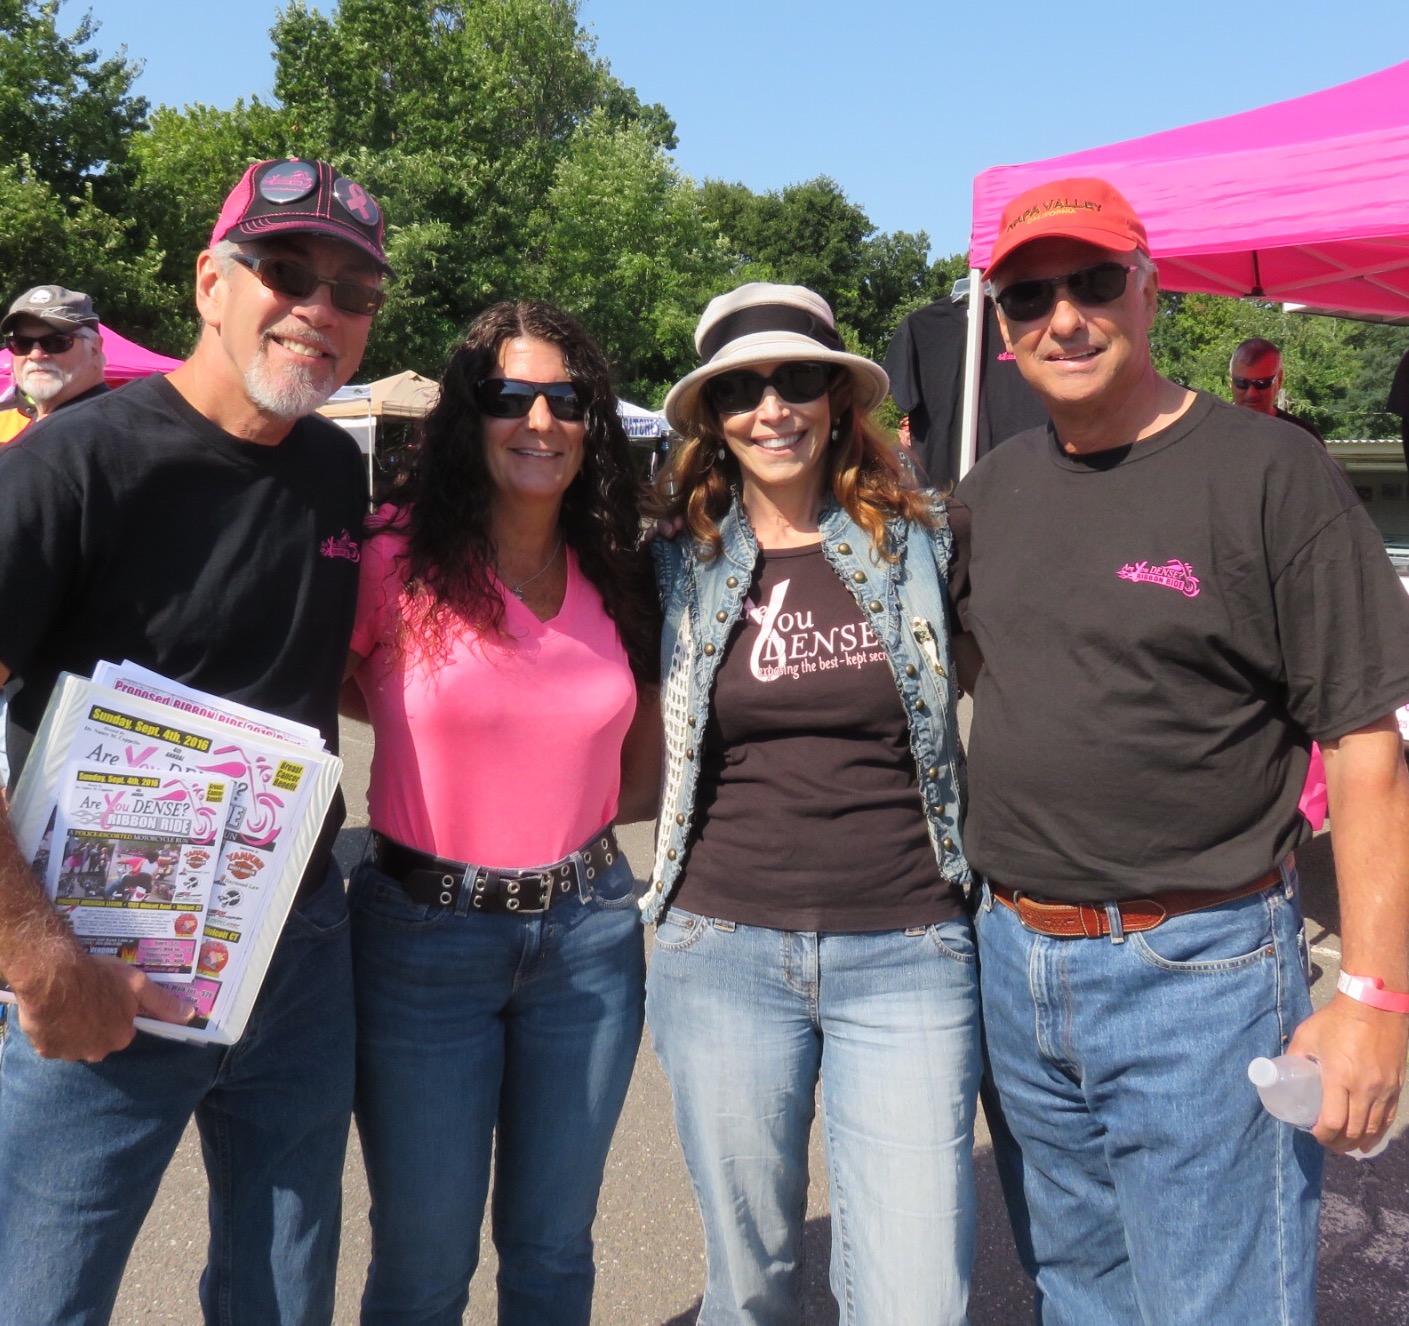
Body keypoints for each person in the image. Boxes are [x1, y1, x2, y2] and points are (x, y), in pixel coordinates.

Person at [954, 176, 1409, 1325]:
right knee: (1078, 1297)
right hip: (1014, 960)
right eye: (1025, 298)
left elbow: (1363, 746)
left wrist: (1369, 995)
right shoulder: (989, 493)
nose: (1061, 317)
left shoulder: (1267, 474)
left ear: (1148, 291)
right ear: (1002, 330)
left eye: (1092, 283)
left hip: (1196, 975)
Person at [0, 156, 390, 1325]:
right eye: (285, 269)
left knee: (281, 1293)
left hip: (297, 949)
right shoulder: (71, 463)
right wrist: (35, 956)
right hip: (98, 952)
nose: (318, 307)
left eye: (352, 289)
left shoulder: (332, 464)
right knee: (42, 1296)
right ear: (210, 283)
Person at [644, 282, 980, 1324]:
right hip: (724, 946)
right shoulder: (671, 560)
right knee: (749, 1289)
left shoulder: (921, 540)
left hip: (908, 944)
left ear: (836, 399)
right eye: (740, 389)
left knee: (915, 1297)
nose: (771, 407)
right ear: (710, 418)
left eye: (796, 380)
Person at [345, 300, 661, 1325]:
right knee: (425, 1265)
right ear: (465, 414)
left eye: (564, 399)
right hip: (420, 941)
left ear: (590, 421)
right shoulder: (390, 555)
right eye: (507, 396)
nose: (538, 420)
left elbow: (646, 747)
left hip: (587, 939)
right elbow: (329, 687)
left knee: (552, 1254)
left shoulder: (616, 567)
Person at [0, 285, 110, 439]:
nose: (36, 354)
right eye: (22, 343)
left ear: (95, 349)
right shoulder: (4, 421)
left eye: (56, 342)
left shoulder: (122, 428)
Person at [1230, 336, 1324, 441]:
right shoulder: (1212, 429)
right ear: (1231, 381)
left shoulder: (1302, 435)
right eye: (1242, 383)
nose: (1251, 394)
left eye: (1261, 383)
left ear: (1279, 380)